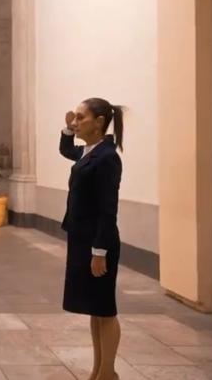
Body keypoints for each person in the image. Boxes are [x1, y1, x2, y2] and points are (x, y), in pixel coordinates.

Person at [60, 98, 124, 380]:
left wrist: (100, 251)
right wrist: (67, 128)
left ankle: (108, 372)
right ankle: (98, 370)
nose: (76, 122)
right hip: (82, 239)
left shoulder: (107, 157)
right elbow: (66, 149)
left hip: (98, 243)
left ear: (99, 122)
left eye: (81, 118)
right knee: (94, 309)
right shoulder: (90, 152)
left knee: (105, 309)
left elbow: (108, 209)